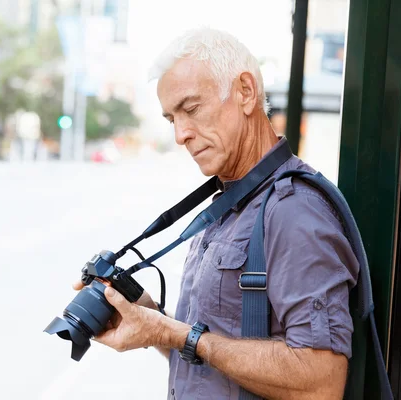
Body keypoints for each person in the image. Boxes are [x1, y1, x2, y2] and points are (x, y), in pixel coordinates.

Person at [74, 28, 358, 399]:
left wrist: (174, 333)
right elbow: (209, 356)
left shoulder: (294, 209)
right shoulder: (232, 203)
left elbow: (321, 382)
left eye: (191, 109)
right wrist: (148, 316)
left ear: (245, 92)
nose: (180, 134)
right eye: (171, 119)